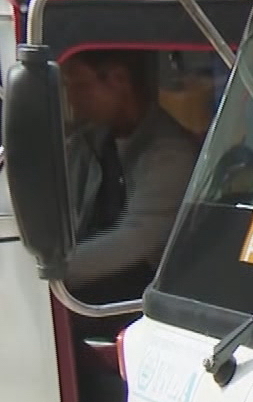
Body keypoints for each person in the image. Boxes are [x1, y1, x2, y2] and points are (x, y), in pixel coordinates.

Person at [60, 49, 199, 306]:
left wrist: (53, 272)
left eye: (79, 85)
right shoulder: (90, 141)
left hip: (140, 299)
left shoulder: (170, 154)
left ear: (119, 79)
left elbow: (133, 240)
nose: (71, 98)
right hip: (88, 288)